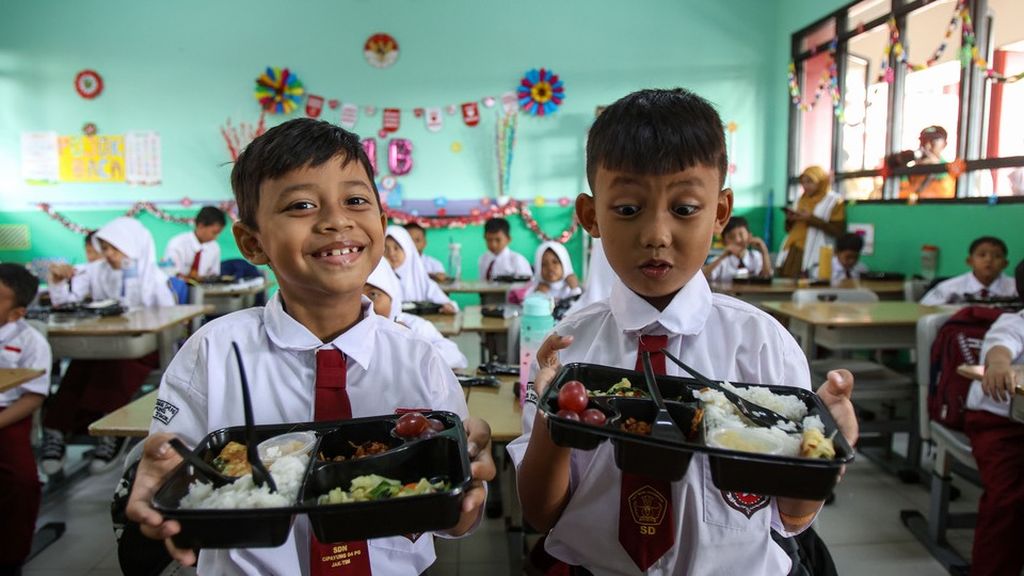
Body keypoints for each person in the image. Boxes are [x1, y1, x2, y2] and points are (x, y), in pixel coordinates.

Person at [508, 88, 857, 575]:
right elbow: (541, 512)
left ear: (720, 211)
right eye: (628, 209)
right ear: (590, 216)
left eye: (685, 208)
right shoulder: (568, 346)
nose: (656, 233)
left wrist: (823, 454)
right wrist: (551, 420)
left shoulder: (762, 343)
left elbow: (792, 515)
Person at [124, 118, 494, 574]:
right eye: (301, 205)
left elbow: (452, 518)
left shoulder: (418, 358)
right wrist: (153, 478)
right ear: (252, 242)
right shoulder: (213, 352)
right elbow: (170, 457)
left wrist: (467, 494)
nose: (336, 220)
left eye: (356, 200)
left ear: (380, 223)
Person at [43, 218, 176, 475]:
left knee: (114, 363)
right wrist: (59, 280)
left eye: (115, 249)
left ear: (133, 248)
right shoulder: (95, 270)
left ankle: (112, 431)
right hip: (104, 344)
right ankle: (55, 431)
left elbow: (169, 316)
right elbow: (66, 302)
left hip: (141, 348)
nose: (109, 255)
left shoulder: (153, 277)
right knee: (82, 364)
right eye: (104, 248)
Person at [962, 259, 1024, 576]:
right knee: (1009, 498)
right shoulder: (1013, 323)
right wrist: (999, 366)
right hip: (999, 422)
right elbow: (999, 349)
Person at [0, 265, 52, 575]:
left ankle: (10, 557)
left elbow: (34, 396)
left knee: (21, 481)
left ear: (17, 312)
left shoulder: (31, 341)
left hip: (7, 417)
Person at [364, 259, 468, 370]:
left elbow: (456, 357)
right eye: (352, 295)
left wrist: (411, 346)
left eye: (373, 295)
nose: (364, 303)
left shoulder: (413, 326)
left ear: (392, 297)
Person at [777, 166, 846, 278]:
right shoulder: (801, 199)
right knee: (787, 281)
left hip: (815, 250)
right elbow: (789, 230)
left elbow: (838, 231)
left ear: (821, 181)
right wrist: (790, 219)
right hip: (793, 249)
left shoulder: (834, 201)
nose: (805, 186)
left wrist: (811, 219)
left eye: (810, 182)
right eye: (803, 182)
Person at [920, 236, 1017, 305]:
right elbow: (924, 310)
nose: (989, 260)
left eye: (997, 256)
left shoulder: (1017, 288)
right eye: (982, 255)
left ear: (1005, 264)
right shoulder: (950, 288)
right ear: (969, 261)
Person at [384, 226, 457, 314]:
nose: (391, 253)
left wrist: (449, 307)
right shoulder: (377, 279)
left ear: (407, 249)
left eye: (396, 248)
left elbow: (447, 303)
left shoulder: (420, 279)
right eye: (385, 249)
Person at [163, 206, 227, 279]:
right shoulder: (177, 243)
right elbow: (170, 273)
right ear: (201, 225)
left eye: (219, 233)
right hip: (178, 288)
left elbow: (214, 275)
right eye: (214, 232)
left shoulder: (215, 247)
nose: (216, 237)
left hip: (204, 288)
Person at [702, 216, 772, 282]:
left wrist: (764, 251)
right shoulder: (720, 261)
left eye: (741, 235)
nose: (737, 240)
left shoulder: (756, 256)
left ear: (749, 236)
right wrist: (722, 256)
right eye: (731, 237)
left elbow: (766, 276)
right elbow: (703, 277)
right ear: (723, 242)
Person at [897, 125, 955, 201]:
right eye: (923, 141)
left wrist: (936, 167)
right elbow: (902, 195)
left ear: (944, 144)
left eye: (933, 141)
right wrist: (902, 169)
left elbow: (947, 194)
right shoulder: (912, 172)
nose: (927, 146)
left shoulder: (951, 170)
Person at [46, 231, 106, 305]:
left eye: (97, 252)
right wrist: (58, 283)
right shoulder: (83, 271)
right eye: (88, 252)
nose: (91, 257)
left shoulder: (121, 269)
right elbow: (64, 302)